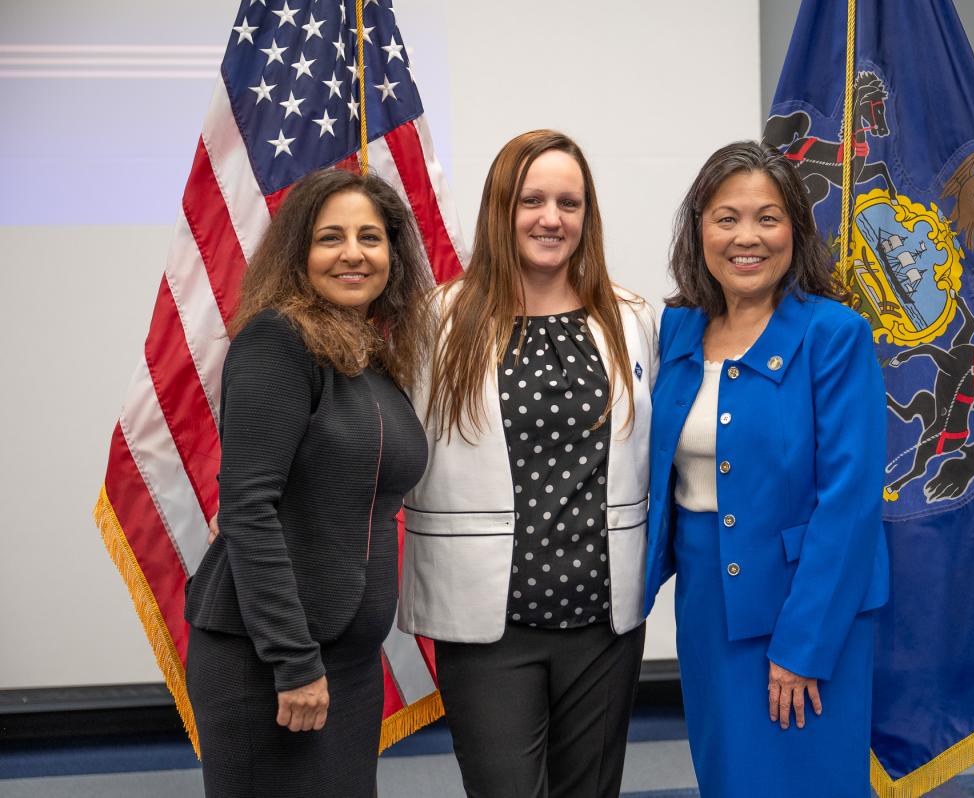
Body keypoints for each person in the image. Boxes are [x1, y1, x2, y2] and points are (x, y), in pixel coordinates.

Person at [397, 129, 657, 798]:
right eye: (531, 200)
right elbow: (381, 437)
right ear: (500, 210)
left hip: (604, 621)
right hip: (488, 624)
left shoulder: (631, 318)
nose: (551, 218)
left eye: (569, 203)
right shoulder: (438, 321)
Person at [643, 141, 889, 796]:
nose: (746, 237)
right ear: (699, 229)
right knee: (729, 779)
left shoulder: (834, 334)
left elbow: (851, 502)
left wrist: (804, 644)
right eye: (726, 218)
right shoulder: (678, 330)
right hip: (706, 605)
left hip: (807, 605)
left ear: (795, 231)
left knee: (810, 781)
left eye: (767, 218)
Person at [184, 168, 434, 797]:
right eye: (331, 238)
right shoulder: (278, 340)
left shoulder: (373, 359)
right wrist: (293, 662)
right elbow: (246, 507)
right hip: (268, 660)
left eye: (371, 238)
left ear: (393, 256)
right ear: (300, 254)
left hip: (345, 663)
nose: (353, 253)